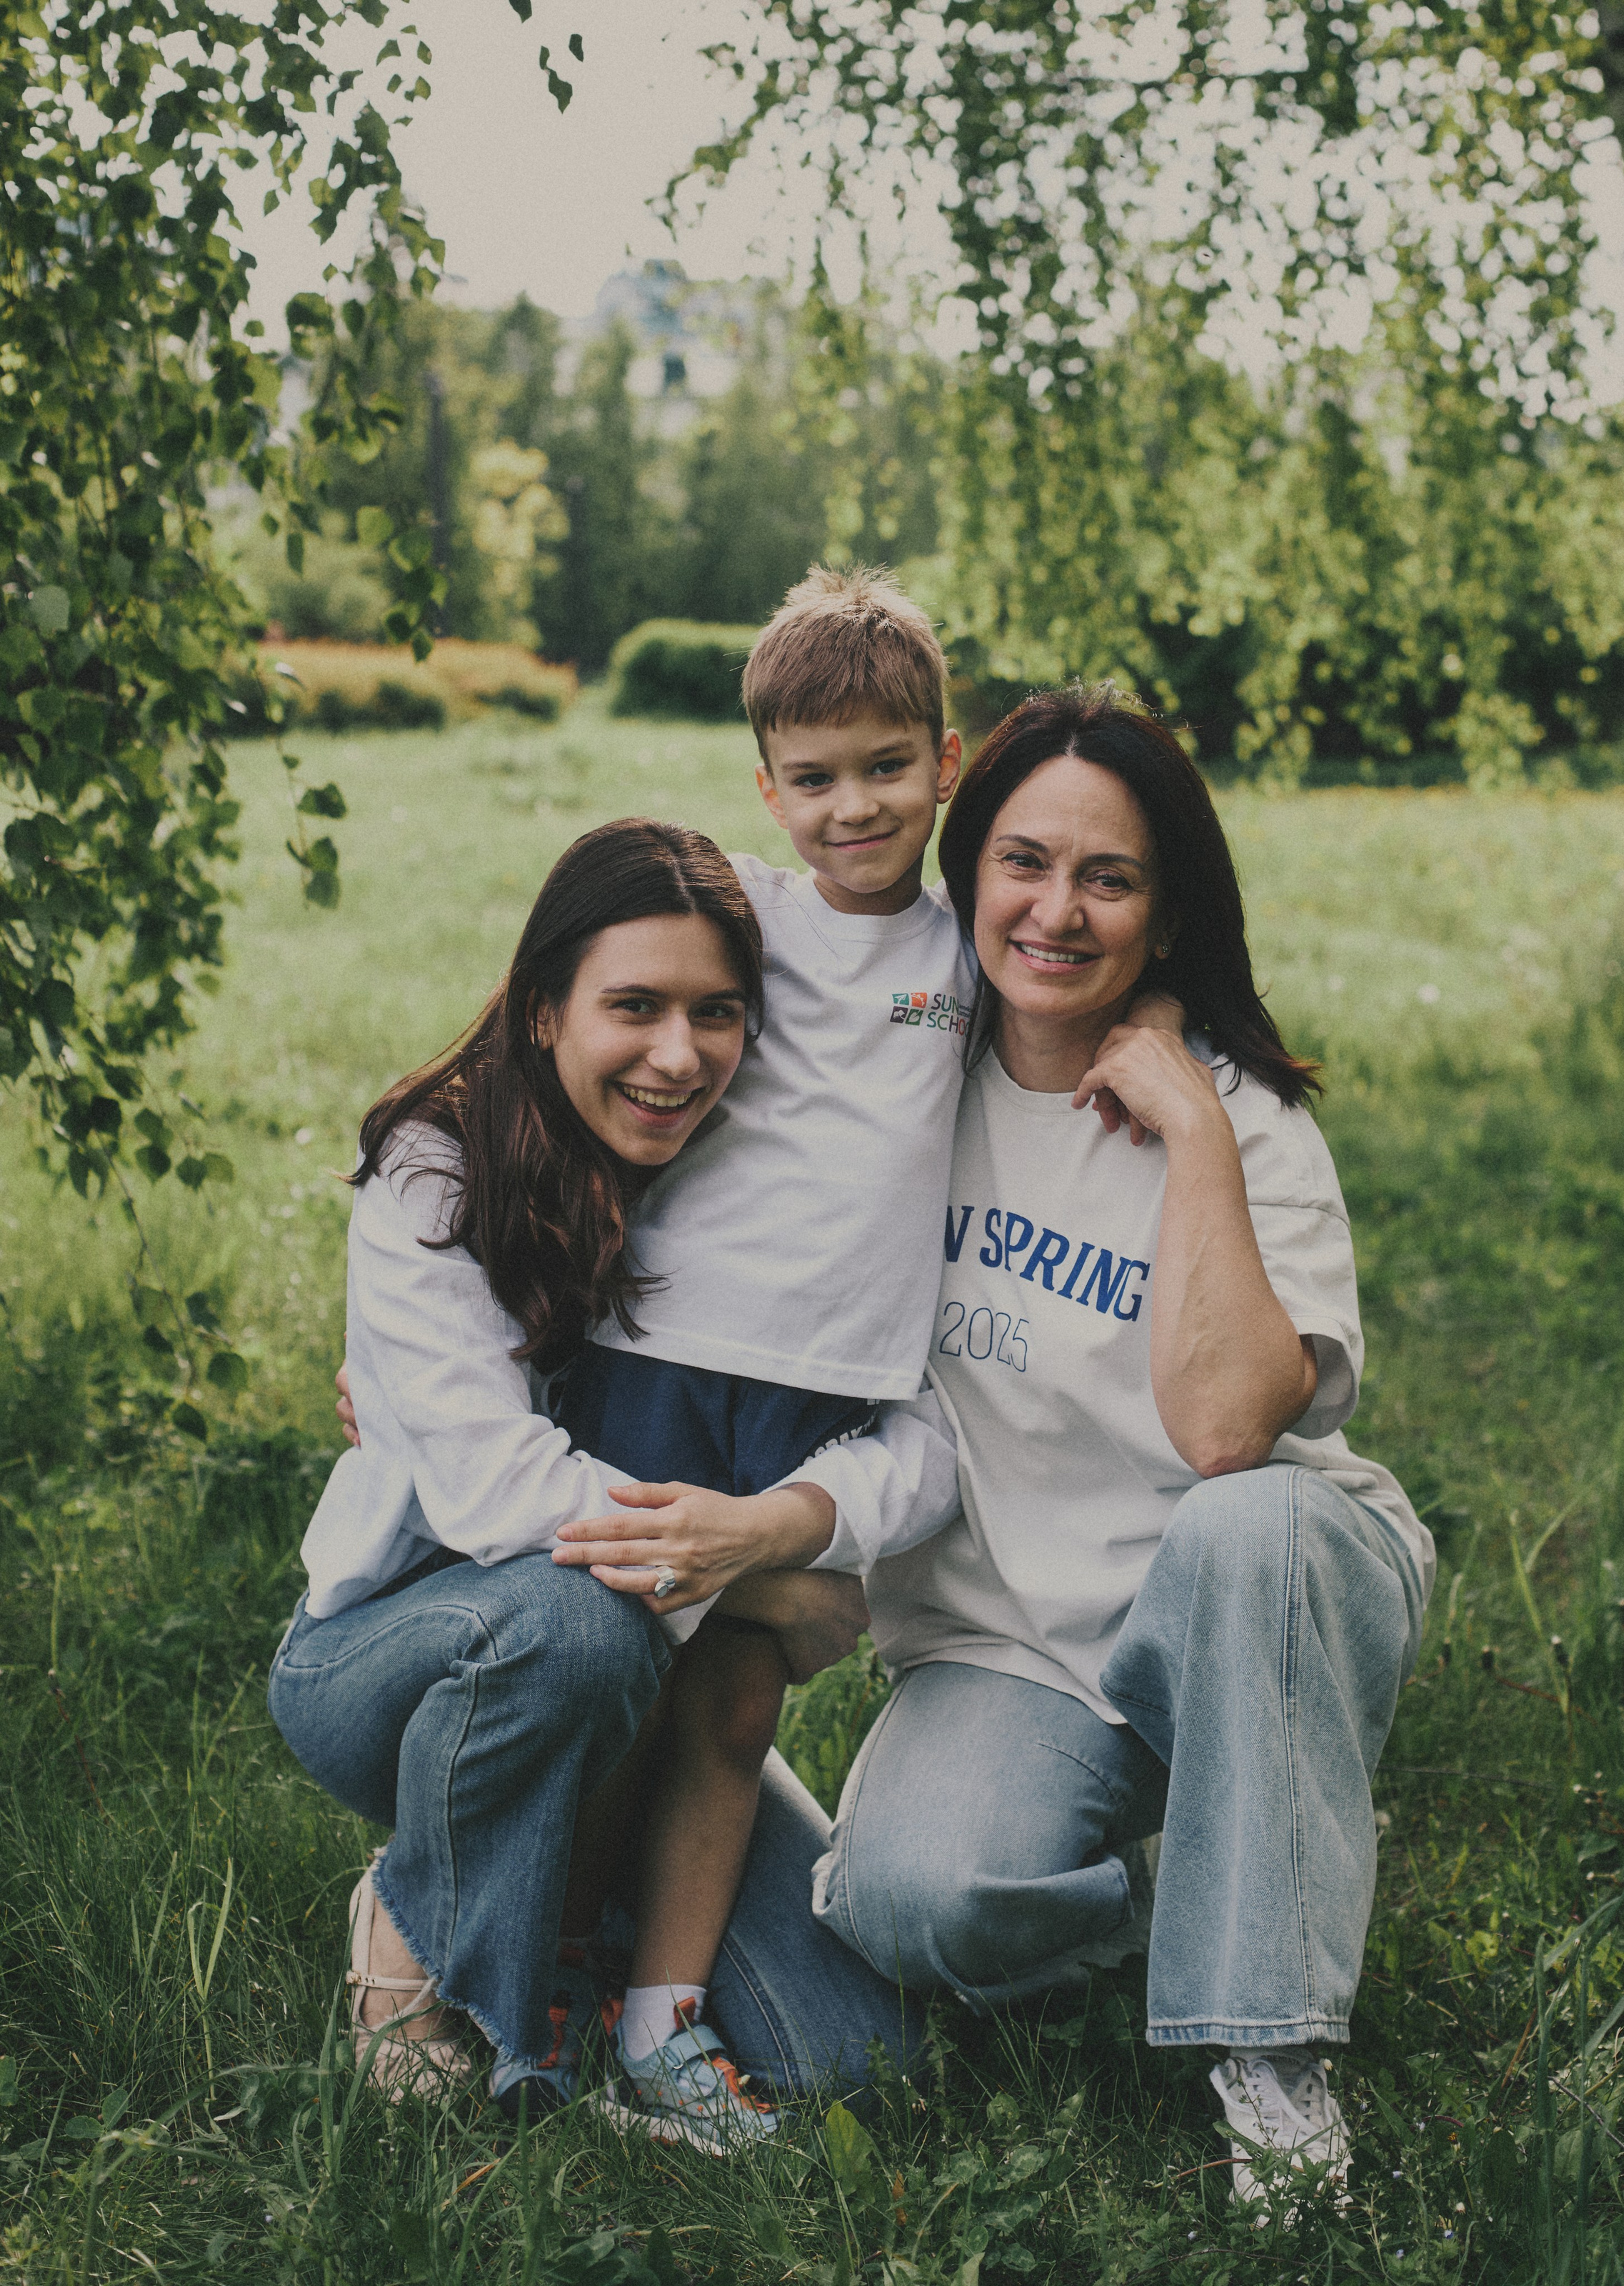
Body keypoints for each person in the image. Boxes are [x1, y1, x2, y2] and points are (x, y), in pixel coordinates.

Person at [798, 687, 1435, 2215]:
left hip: (1242, 1605)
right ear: (965, 875)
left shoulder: (1242, 1122)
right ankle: (1206, 1889)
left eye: (1109, 878)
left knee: (1247, 1526)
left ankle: (1270, 2056)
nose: (1055, 911)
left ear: (1166, 913)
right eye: (1022, 861)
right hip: (1011, 1638)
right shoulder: (899, 1083)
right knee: (906, 1903)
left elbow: (1227, 1431)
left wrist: (1192, 1133)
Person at [269, 819, 933, 2129]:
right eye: (634, 1006)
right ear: (540, 1010)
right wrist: (762, 1583)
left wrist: (782, 1531)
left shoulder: (731, 1171)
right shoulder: (434, 1170)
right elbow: (500, 1495)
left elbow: (898, 1419)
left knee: (857, 2050)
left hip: (651, 1696)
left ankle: (553, 1902)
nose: (677, 1056)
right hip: (403, 1663)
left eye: (717, 1013)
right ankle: (417, 1937)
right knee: (580, 1622)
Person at [539, 567, 978, 2135]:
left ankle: (660, 2029)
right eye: (812, 775)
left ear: (946, 757)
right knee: (609, 1673)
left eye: (884, 765)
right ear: (764, 785)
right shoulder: (740, 907)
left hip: (818, 1399)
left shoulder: (970, 954)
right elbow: (582, 1027)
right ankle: (532, 1957)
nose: (849, 805)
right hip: (660, 1354)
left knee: (729, 1702)